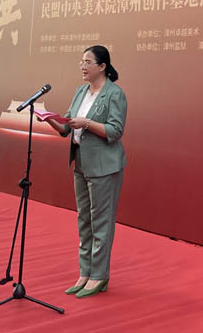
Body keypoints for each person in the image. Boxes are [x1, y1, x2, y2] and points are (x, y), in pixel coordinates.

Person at [40, 45, 127, 299]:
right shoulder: (81, 91)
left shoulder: (115, 94)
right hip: (81, 162)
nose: (82, 66)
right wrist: (50, 119)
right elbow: (67, 127)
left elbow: (115, 131)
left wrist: (87, 123)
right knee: (84, 220)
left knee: (101, 221)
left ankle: (99, 275)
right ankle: (85, 272)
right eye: (81, 61)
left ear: (102, 66)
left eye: (88, 62)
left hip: (104, 166)